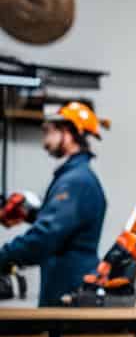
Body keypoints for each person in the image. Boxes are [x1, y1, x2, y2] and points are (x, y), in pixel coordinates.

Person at [0, 101, 108, 306]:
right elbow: (61, 226)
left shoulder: (76, 181)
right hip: (64, 286)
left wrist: (4, 257)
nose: (45, 139)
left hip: (70, 293)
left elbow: (47, 236)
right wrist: (29, 214)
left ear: (68, 133)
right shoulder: (73, 177)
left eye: (48, 131)